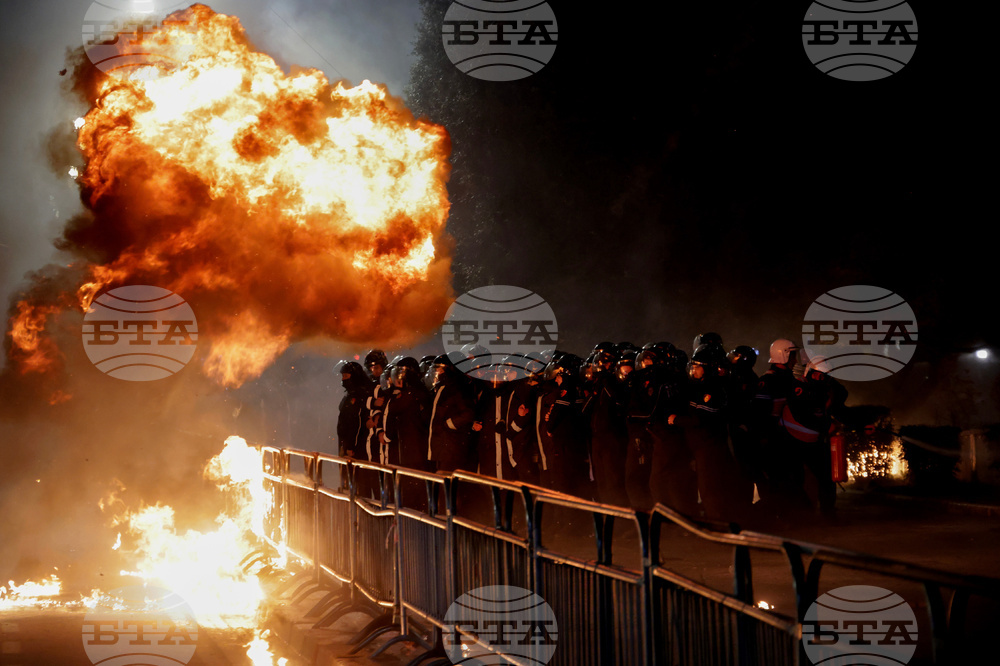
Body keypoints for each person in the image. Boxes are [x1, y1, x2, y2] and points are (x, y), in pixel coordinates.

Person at [751, 338, 811, 519]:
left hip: (790, 440)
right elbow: (760, 415)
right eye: (792, 355)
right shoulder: (767, 381)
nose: (795, 360)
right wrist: (763, 438)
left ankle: (791, 517)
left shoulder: (791, 380)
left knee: (795, 478)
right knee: (781, 482)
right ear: (784, 356)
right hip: (775, 442)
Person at [789, 355, 848, 518]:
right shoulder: (798, 388)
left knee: (827, 477)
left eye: (824, 377)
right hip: (792, 443)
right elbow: (803, 415)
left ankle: (828, 513)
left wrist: (862, 424)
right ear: (810, 373)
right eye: (818, 375)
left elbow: (839, 410)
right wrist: (826, 426)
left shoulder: (824, 391)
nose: (821, 379)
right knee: (795, 480)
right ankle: (800, 515)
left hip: (814, 442)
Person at [427, 354, 476, 474]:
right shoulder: (441, 388)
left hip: (452, 447)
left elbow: (468, 413)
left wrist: (449, 424)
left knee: (447, 482)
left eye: (439, 368)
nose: (437, 372)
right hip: (442, 447)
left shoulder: (457, 388)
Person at [335, 360, 373, 459]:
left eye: (346, 376)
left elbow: (356, 422)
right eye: (342, 376)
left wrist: (351, 446)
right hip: (344, 443)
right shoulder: (349, 394)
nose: (343, 379)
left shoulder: (360, 395)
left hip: (353, 447)